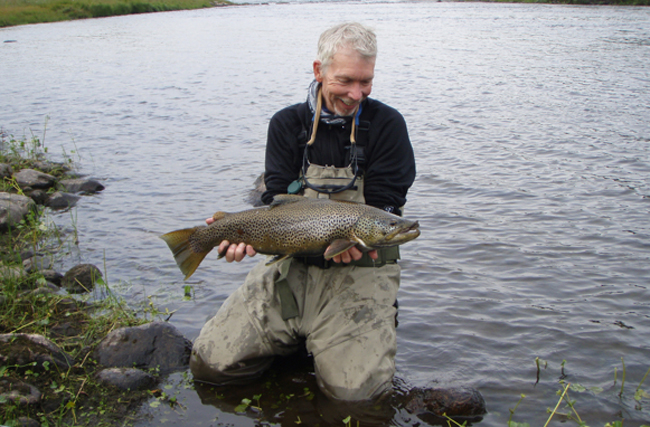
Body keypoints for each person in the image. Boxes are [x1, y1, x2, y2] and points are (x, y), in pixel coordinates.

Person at [190, 22, 416, 403]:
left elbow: (385, 206)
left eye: (366, 81)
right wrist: (237, 237)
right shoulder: (286, 125)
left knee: (357, 398)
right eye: (345, 80)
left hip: (357, 274)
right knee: (210, 365)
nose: (356, 94)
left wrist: (354, 241)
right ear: (319, 71)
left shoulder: (387, 126)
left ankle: (326, 341)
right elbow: (274, 204)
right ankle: (298, 341)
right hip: (288, 268)